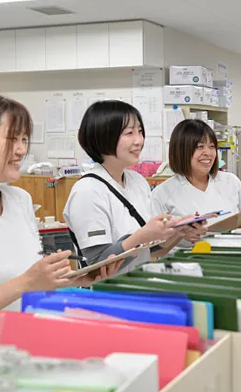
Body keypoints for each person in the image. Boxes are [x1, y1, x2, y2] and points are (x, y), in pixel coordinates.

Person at [0, 91, 120, 346]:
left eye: (24, 139)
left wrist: (71, 279)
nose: (21, 150)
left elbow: (28, 282)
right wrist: (25, 284)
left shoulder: (20, 200)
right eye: (11, 138)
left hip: (33, 349)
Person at [64, 101, 199, 272]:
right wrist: (142, 236)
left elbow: (152, 250)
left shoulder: (138, 181)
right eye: (129, 133)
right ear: (104, 136)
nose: (139, 141)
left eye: (140, 131)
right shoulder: (87, 191)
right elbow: (97, 266)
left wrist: (179, 232)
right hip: (107, 295)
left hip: (139, 286)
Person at [151, 119, 241, 233]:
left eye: (212, 146)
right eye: (200, 146)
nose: (208, 153)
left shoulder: (231, 182)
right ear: (181, 151)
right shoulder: (163, 194)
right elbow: (156, 244)